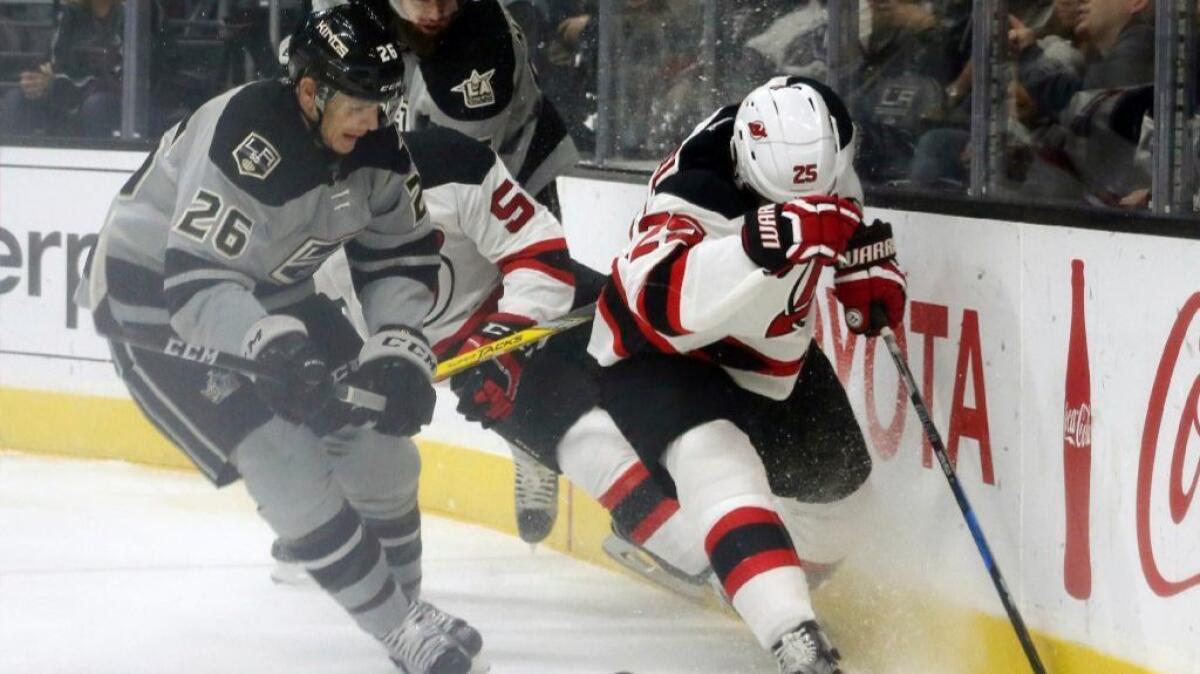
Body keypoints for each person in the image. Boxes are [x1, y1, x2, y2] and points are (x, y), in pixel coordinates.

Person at [77, 5, 482, 673]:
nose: (372, 119)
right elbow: (199, 284)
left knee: (383, 447)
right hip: (155, 303)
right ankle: (397, 630)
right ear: (308, 91)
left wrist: (398, 342)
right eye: (357, 101)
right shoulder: (247, 138)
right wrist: (273, 348)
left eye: (383, 101)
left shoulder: (377, 142)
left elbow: (398, 256)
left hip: (271, 289)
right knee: (286, 462)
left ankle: (411, 608)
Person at [586, 77, 907, 673]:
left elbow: (842, 225)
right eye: (781, 200)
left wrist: (866, 266)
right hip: (663, 359)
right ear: (748, 167)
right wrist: (763, 244)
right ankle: (793, 634)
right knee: (721, 462)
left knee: (842, 507)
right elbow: (656, 300)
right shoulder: (693, 192)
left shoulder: (821, 148)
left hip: (765, 354)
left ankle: (731, 569)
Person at [0, 0, 123, 137]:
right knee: (15, 100)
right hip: (65, 93)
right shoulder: (71, 14)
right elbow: (53, 61)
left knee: (96, 107)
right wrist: (37, 80)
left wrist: (55, 83)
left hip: (105, 100)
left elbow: (116, 80)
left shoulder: (128, 20)